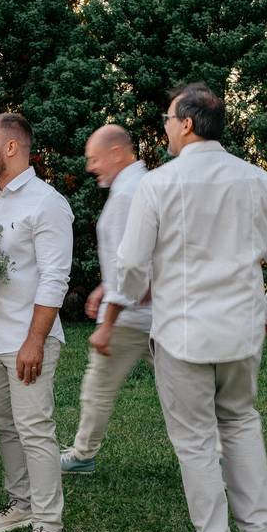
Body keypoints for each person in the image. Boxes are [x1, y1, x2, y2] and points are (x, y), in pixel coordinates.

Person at [117, 82, 267, 532]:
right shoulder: (258, 181)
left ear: (187, 124)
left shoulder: (158, 184)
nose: (164, 128)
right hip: (243, 330)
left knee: (196, 439)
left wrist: (131, 296)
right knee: (240, 419)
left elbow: (132, 264)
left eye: (167, 119)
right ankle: (261, 525)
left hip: (182, 333)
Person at [0, 113, 73, 532]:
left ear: (10, 148)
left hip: (26, 339)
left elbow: (55, 277)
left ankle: (49, 528)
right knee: (5, 426)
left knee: (35, 430)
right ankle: (21, 503)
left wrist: (36, 338)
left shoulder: (47, 203)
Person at [60, 125, 153, 475]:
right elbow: (134, 256)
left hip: (131, 315)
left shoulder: (130, 193)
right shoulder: (139, 185)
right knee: (186, 388)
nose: (90, 167)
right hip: (152, 311)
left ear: (117, 152)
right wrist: (106, 284)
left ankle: (83, 454)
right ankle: (220, 450)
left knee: (97, 386)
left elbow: (135, 264)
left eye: (94, 159)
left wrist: (108, 322)